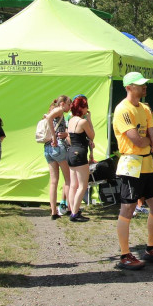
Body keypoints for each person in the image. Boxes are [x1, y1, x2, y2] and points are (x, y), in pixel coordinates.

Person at [112, 71, 153, 270]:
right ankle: (124, 255)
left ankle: (151, 248)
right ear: (129, 87)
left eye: (143, 84)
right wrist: (150, 141)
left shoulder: (145, 109)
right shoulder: (123, 109)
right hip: (130, 164)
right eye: (140, 85)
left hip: (146, 163)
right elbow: (137, 140)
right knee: (128, 209)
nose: (144, 87)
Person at [65, 94, 95, 223]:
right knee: (82, 185)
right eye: (86, 107)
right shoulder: (82, 121)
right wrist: (89, 119)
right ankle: (75, 213)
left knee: (73, 185)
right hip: (80, 153)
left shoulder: (71, 120)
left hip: (71, 152)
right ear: (82, 108)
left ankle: (73, 209)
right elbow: (92, 135)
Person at [42, 95, 72, 219]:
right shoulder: (59, 111)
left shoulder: (53, 110)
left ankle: (53, 211)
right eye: (69, 104)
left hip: (47, 148)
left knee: (54, 181)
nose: (70, 107)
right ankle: (71, 209)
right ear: (63, 103)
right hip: (58, 147)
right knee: (68, 179)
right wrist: (55, 137)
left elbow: (48, 118)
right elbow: (49, 118)